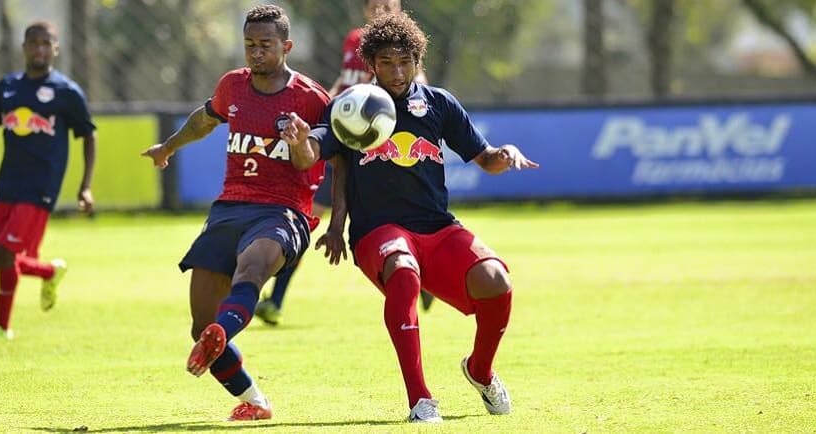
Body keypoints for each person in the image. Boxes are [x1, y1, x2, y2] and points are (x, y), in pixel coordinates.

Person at [285, 12, 538, 423]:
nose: (397, 71)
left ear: (418, 61)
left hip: (436, 227)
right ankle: (421, 400)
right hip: (377, 231)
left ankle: (480, 370)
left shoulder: (438, 103)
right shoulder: (352, 106)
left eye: (405, 62)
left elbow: (485, 158)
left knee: (496, 280)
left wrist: (504, 153)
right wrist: (300, 143)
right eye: (386, 62)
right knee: (402, 271)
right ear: (371, 64)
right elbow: (313, 155)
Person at [140, 5, 330, 421]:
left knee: (251, 269)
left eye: (266, 45)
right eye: (249, 45)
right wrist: (168, 147)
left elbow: (331, 158)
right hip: (229, 209)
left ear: (286, 47)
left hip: (283, 212)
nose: (256, 52)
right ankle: (255, 401)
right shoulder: (232, 85)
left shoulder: (311, 98)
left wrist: (342, 220)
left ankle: (221, 332)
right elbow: (204, 121)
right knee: (200, 325)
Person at [253, 0, 433, 327]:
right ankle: (275, 300)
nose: (381, 11)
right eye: (375, 5)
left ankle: (425, 277)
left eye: (387, 5)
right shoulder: (355, 41)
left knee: (400, 217)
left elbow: (416, 80)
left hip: (376, 146)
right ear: (365, 10)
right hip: (343, 137)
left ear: (398, 8)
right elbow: (344, 82)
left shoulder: (398, 49)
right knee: (309, 218)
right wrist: (325, 105)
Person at [0, 21, 97, 342]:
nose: (39, 49)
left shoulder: (66, 92)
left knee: (5, 255)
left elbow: (88, 135)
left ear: (56, 49)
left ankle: (2, 327)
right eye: (34, 43)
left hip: (40, 187)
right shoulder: (8, 86)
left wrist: (85, 186)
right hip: (7, 183)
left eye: (46, 43)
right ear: (24, 47)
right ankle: (48, 272)